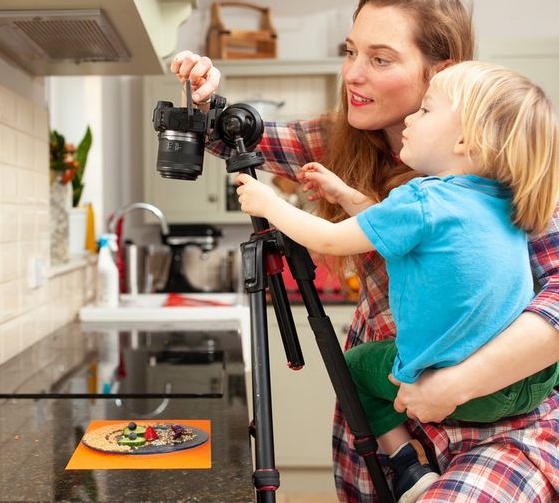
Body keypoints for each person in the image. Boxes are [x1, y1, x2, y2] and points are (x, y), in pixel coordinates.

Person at [170, 0, 559, 502]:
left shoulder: (506, 162)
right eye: (351, 51)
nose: (352, 74)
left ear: (439, 72)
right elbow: (234, 132)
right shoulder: (340, 140)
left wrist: (457, 383)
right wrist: (206, 97)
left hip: (495, 421)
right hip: (381, 406)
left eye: (381, 59)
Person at [236, 60, 559, 502]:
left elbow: (329, 239)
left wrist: (269, 203)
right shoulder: (505, 199)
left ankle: (409, 468)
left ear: (466, 140)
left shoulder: (422, 198)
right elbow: (399, 229)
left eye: (426, 111)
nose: (409, 118)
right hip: (532, 380)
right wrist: (346, 195)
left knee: (353, 369)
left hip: (463, 389)